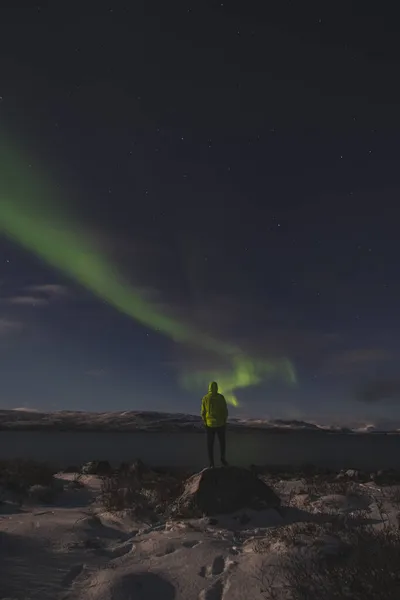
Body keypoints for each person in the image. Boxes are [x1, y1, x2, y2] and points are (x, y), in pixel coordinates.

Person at [201, 381, 228, 468]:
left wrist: (205, 422)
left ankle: (211, 463)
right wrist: (224, 420)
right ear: (216, 387)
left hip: (209, 425)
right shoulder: (221, 397)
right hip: (220, 424)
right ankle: (222, 458)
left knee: (210, 444)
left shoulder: (205, 398)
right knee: (222, 443)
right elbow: (225, 410)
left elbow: (203, 412)